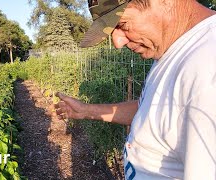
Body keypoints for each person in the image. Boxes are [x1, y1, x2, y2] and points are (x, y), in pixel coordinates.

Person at [54, 0, 216, 179]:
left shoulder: (207, 69)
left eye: (123, 25)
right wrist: (86, 110)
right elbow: (153, 110)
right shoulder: (174, 48)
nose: (117, 42)